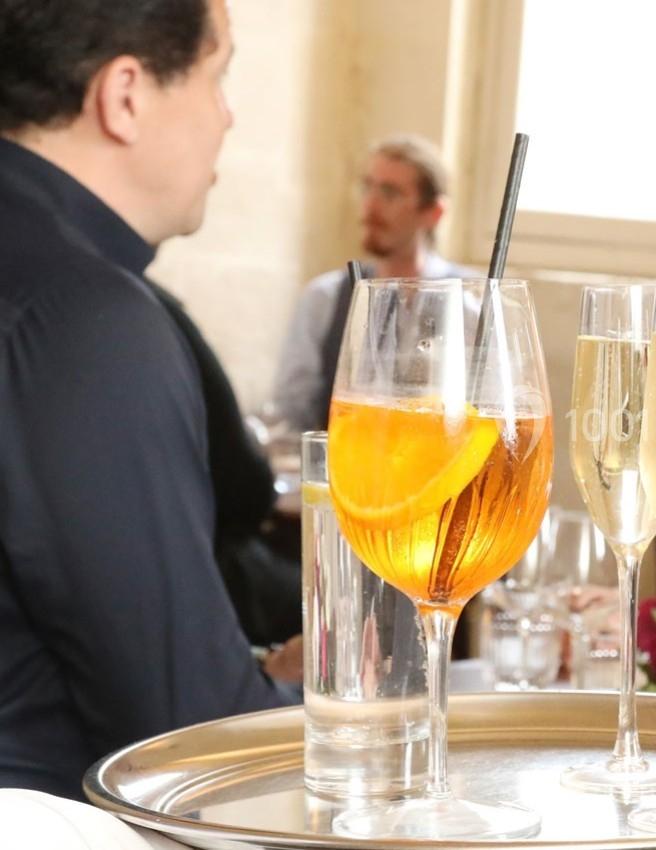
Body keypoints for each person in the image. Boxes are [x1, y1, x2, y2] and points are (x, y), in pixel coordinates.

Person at [0, 0, 298, 798]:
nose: (227, 116)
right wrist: (372, 716)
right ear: (125, 95)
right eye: (216, 75)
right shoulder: (85, 318)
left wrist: (256, 672)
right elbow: (191, 742)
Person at [271, 135, 476, 433]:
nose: (371, 205)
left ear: (433, 212)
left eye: (390, 193)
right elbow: (292, 412)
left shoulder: (470, 301)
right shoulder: (325, 298)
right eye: (368, 187)